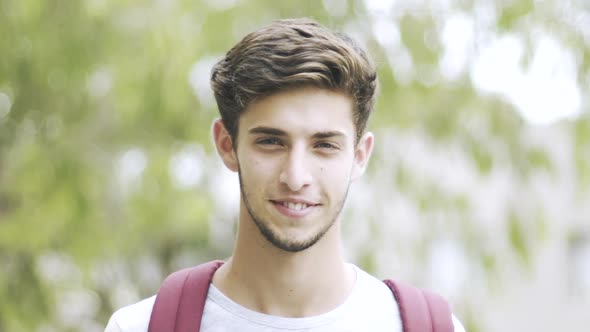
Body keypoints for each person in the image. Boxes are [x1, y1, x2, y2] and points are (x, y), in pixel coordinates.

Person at [105, 18, 465, 332]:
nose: (296, 177)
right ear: (227, 145)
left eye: (324, 145)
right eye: (271, 141)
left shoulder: (430, 327)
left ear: (359, 156)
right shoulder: (139, 327)